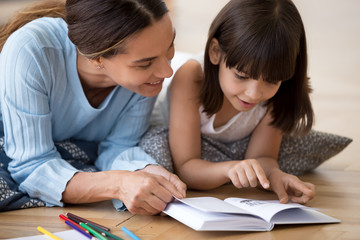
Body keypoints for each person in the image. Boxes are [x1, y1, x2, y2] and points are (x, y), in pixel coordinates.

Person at [0, 0, 186, 215]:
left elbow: (119, 146)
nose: (167, 71)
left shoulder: (146, 81)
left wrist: (143, 172)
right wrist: (117, 184)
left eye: (170, 46)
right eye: (145, 63)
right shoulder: (32, 50)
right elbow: (31, 167)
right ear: (96, 58)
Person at [154, 0, 316, 204]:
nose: (254, 94)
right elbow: (186, 167)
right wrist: (229, 169)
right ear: (215, 52)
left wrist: (274, 175)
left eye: (272, 81)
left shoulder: (278, 93)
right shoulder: (191, 77)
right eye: (241, 76)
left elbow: (263, 157)